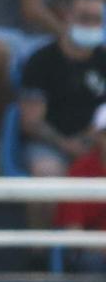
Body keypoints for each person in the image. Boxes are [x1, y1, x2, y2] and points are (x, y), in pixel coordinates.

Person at [18, 0, 106, 182]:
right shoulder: (41, 61)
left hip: (98, 143)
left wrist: (91, 140)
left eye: (96, 19)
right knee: (47, 173)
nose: (91, 25)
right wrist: (66, 145)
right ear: (67, 17)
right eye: (84, 18)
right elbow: (31, 122)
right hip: (51, 145)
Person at [51, 103, 106, 272]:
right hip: (93, 252)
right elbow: (74, 234)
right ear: (96, 135)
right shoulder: (80, 170)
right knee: (91, 262)